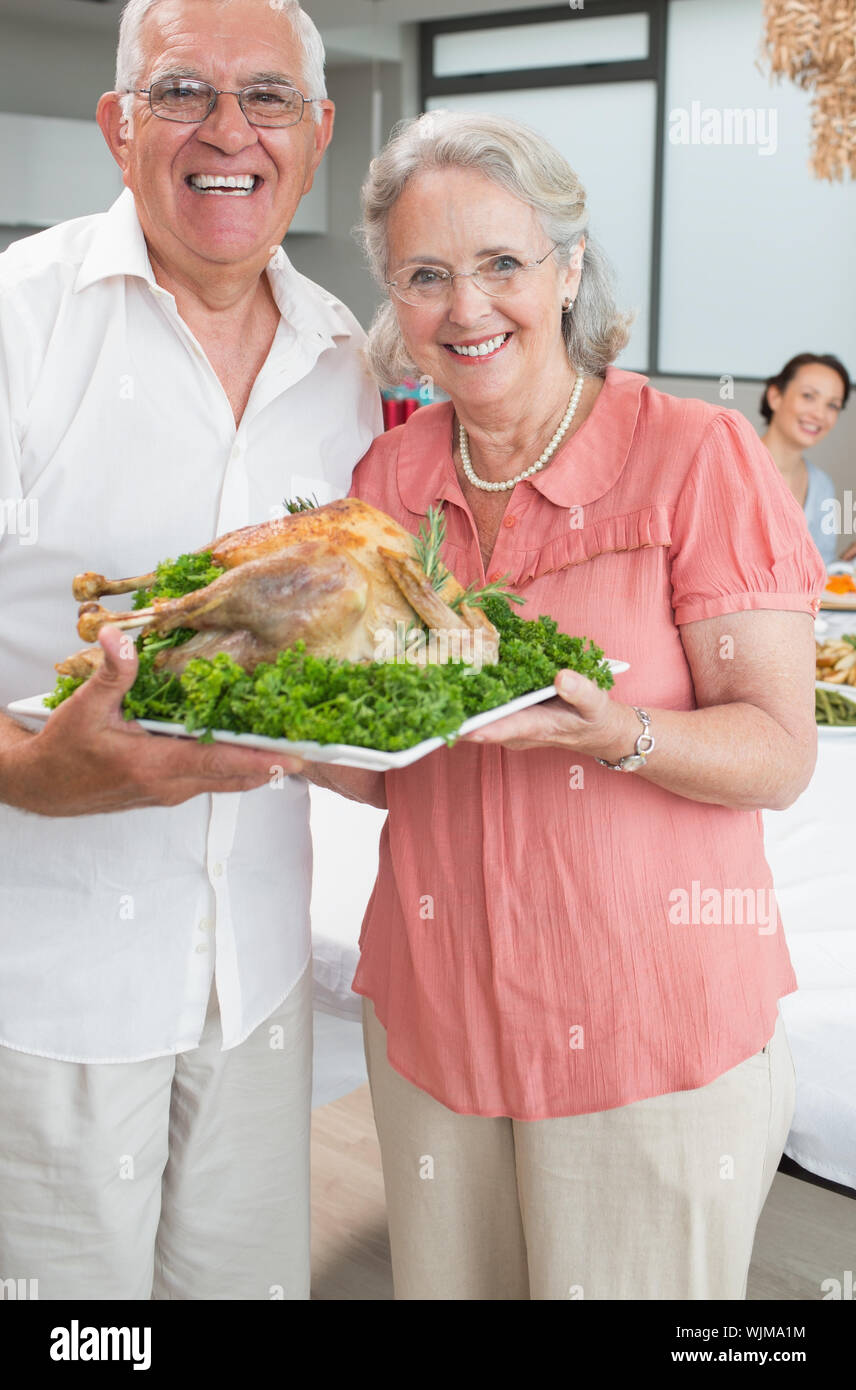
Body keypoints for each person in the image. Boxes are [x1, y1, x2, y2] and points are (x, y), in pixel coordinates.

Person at [345, 111, 825, 1300]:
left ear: (567, 268)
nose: (468, 309)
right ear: (393, 300)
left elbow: (777, 751)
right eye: (426, 276)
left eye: (503, 263)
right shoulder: (389, 479)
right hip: (437, 1024)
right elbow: (394, 758)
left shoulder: (696, 458)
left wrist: (627, 737)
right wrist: (277, 737)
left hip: (642, 1033)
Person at [0, 0, 382, 1300]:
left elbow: (336, 631)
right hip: (41, 992)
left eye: (267, 97)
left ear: (318, 133)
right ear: (118, 127)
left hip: (255, 978)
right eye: (181, 94)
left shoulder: (346, 360)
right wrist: (27, 767)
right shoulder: (19, 323)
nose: (230, 131)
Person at [759, 353, 850, 569]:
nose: (819, 414)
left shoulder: (822, 485)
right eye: (808, 396)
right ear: (775, 397)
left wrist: (845, 565)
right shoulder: (729, 466)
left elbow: (818, 571)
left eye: (832, 406)